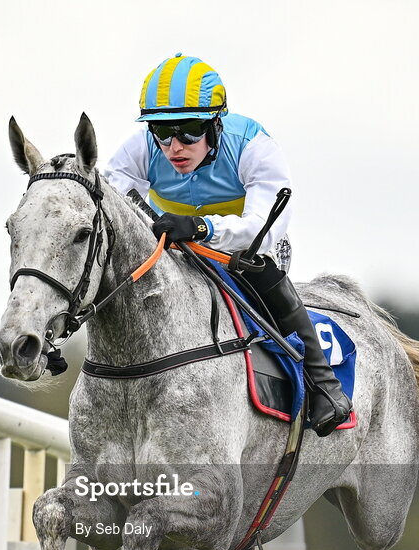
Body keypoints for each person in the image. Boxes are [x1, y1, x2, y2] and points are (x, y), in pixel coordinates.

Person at [103, 54, 352, 436]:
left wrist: (201, 227)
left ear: (216, 123)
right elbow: (115, 198)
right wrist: (154, 224)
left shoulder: (254, 146)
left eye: (189, 129)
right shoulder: (140, 148)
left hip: (247, 249)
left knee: (259, 269)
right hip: (175, 246)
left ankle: (324, 385)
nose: (174, 146)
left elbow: (260, 228)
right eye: (161, 131)